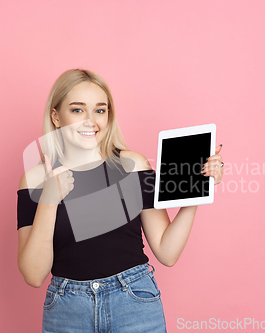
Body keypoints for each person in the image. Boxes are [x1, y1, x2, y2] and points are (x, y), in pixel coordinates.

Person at [16, 69, 224, 333]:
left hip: (134, 302)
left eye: (100, 110)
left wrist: (197, 190)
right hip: (68, 310)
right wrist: (49, 199)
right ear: (56, 117)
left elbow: (167, 252)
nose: (91, 121)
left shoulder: (133, 166)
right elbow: (34, 276)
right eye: (78, 110)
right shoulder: (34, 180)